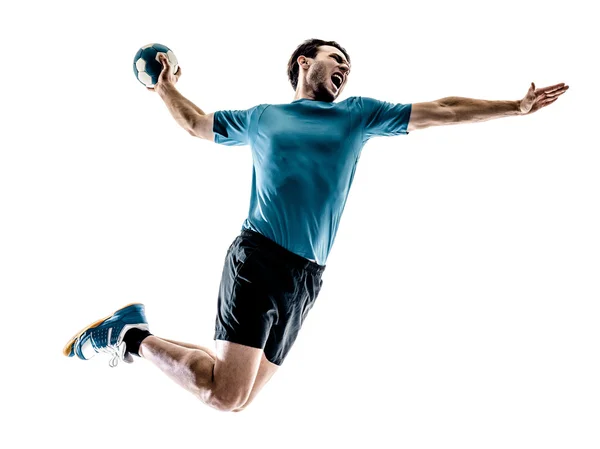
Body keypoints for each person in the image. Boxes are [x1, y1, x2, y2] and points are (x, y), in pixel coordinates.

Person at [63, 38, 569, 412]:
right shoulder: (263, 117)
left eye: (348, 66)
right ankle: (127, 337)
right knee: (225, 396)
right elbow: (197, 123)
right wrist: (165, 87)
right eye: (337, 60)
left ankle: (135, 327)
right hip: (260, 255)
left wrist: (515, 107)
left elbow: (443, 109)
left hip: (308, 279)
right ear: (305, 62)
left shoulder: (358, 114)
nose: (345, 70)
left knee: (237, 394)